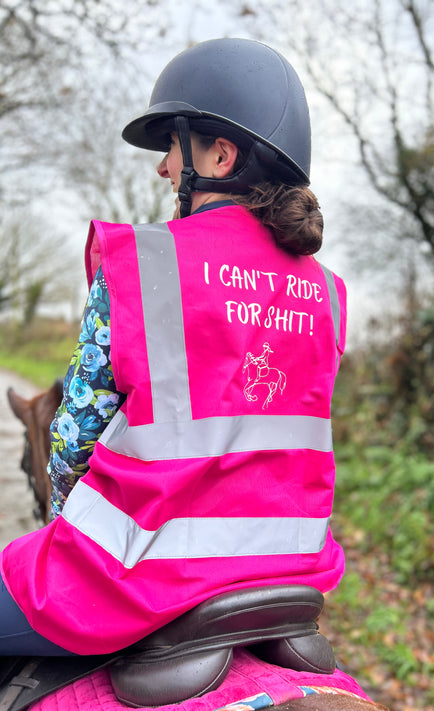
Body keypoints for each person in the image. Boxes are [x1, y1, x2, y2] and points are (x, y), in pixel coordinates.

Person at [0, 38, 347, 658]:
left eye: (171, 147)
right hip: (292, 573)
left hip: (140, 578)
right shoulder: (329, 293)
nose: (162, 168)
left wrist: (62, 522)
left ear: (219, 154)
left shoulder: (145, 264)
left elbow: (73, 438)